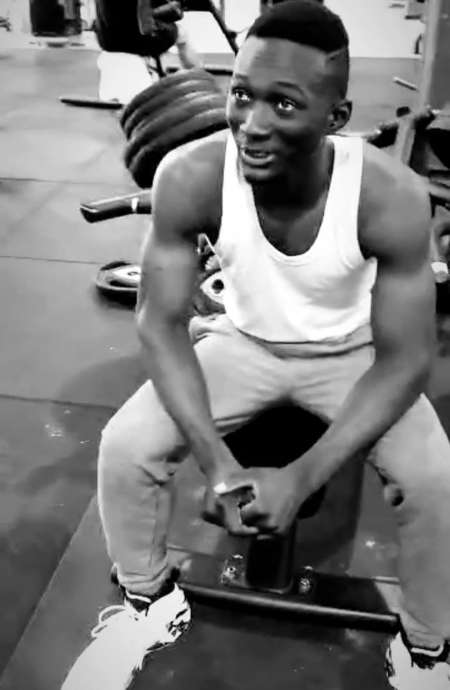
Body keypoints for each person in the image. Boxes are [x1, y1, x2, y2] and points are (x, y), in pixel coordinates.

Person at [62, 2, 450, 689]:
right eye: (242, 94)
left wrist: (303, 475)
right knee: (125, 449)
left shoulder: (389, 196)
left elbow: (408, 358)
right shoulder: (191, 174)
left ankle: (426, 647)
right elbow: (160, 323)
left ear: (335, 117)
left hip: (355, 353)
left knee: (435, 481)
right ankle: (147, 602)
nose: (252, 122)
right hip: (241, 342)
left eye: (284, 104)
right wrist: (217, 466)